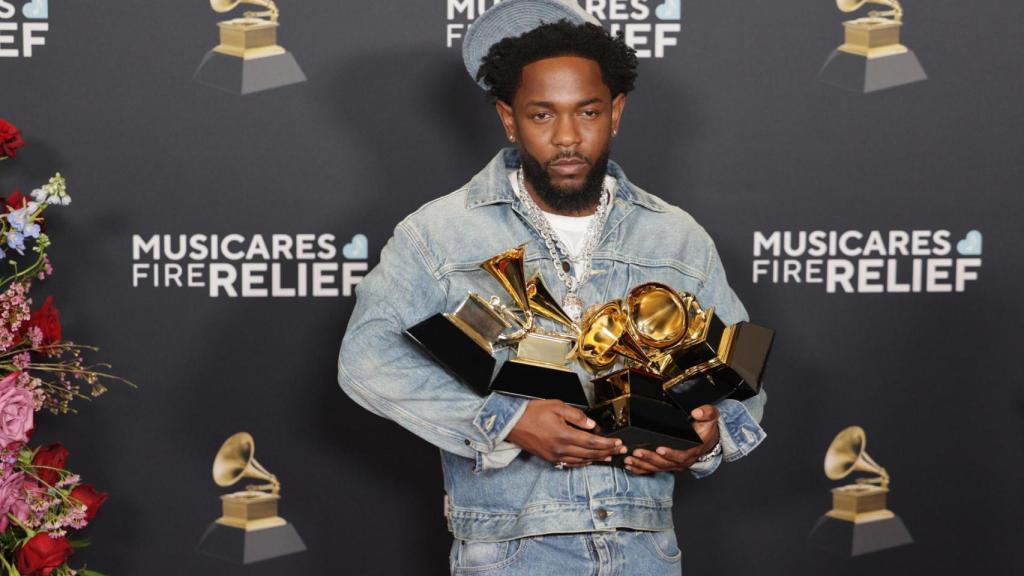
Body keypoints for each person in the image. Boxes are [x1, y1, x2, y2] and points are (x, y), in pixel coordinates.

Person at [337, 1, 767, 574]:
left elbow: (739, 377)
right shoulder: (438, 233)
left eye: (587, 112)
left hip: (645, 549)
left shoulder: (676, 236)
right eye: (542, 116)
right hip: (509, 551)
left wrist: (708, 439)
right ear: (509, 118)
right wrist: (506, 423)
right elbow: (366, 358)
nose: (568, 137)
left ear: (615, 112)